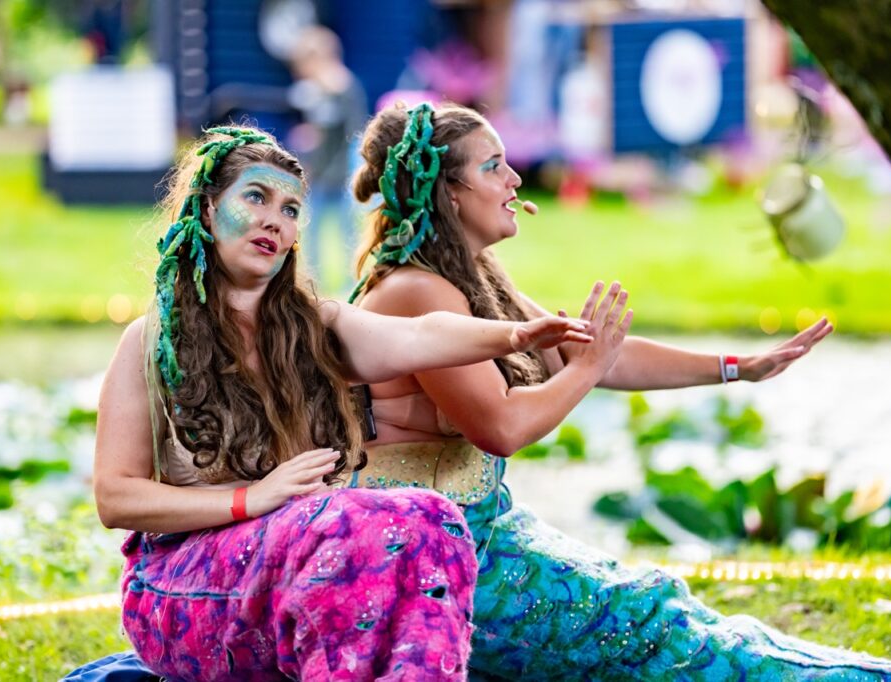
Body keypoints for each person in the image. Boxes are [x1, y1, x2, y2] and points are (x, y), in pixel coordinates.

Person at [343, 102, 891, 681]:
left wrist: (740, 366)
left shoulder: (467, 276)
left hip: (484, 537)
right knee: (659, 627)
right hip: (437, 567)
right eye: (494, 168)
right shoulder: (415, 290)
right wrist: (586, 369)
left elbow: (594, 351)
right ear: (446, 193)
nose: (515, 181)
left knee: (665, 618)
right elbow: (503, 426)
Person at [69, 125, 592, 681]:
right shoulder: (149, 342)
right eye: (256, 197)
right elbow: (115, 496)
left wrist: (512, 337)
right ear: (205, 208)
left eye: (291, 209)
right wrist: (252, 499)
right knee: (335, 524)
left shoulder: (314, 325)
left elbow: (419, 336)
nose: (276, 219)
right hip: (180, 590)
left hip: (294, 557)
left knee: (433, 517)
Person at [287, 25, 369, 289]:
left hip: (343, 176)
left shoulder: (343, 89)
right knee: (311, 231)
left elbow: (354, 135)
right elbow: (321, 132)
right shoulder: (315, 92)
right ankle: (311, 280)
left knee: (349, 233)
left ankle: (352, 281)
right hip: (320, 175)